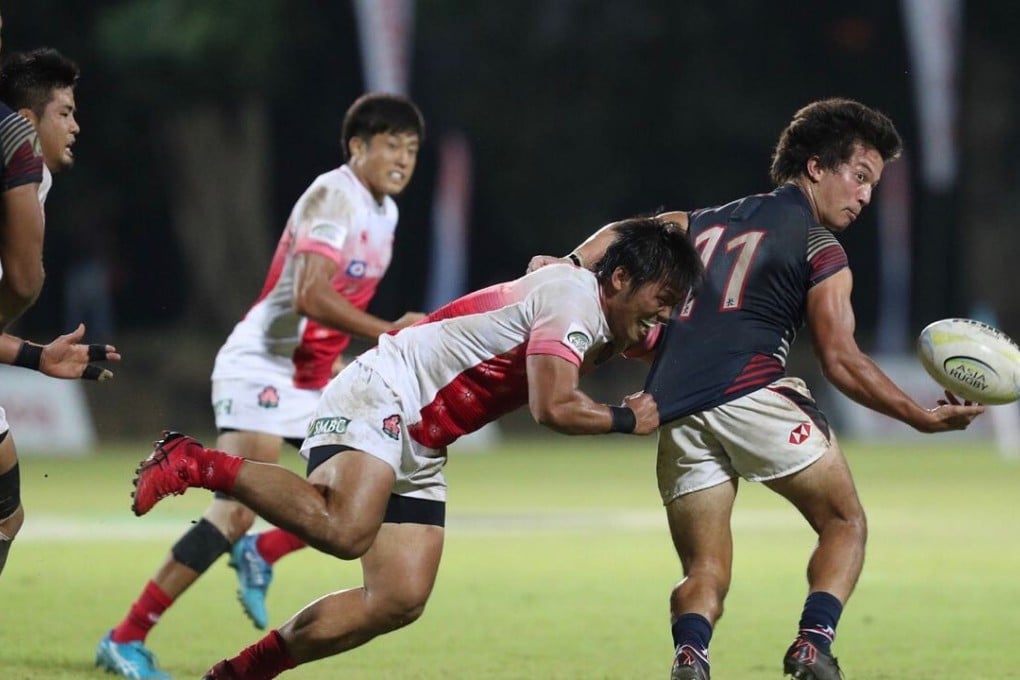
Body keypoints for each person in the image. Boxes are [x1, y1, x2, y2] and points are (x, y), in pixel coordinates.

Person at [128, 216, 703, 679]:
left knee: (398, 597)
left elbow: (642, 242)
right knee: (345, 529)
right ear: (622, 279)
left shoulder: (605, 305)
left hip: (423, 437)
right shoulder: (574, 300)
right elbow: (552, 406)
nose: (666, 313)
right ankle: (195, 460)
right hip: (388, 388)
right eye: (665, 297)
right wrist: (625, 418)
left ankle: (239, 675)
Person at [530, 98, 985, 680]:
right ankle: (812, 644)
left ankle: (691, 655)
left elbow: (628, 230)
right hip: (753, 395)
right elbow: (840, 359)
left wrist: (568, 263)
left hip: (675, 411)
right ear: (816, 167)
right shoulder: (820, 246)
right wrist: (918, 416)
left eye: (873, 183)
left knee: (704, 569)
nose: (866, 195)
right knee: (845, 523)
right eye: (860, 176)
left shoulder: (701, 222)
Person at [97, 92, 428, 680]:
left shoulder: (387, 213)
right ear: (358, 147)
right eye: (391, 145)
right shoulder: (335, 195)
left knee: (367, 493)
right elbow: (309, 294)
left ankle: (262, 554)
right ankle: (126, 637)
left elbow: (329, 312)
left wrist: (350, 356)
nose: (403, 158)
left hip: (310, 377)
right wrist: (387, 334)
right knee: (235, 512)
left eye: (412, 149)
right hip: (262, 366)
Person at [0, 38, 118, 578]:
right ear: (28, 120)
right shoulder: (17, 168)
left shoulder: (30, 181)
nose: (75, 127)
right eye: (64, 113)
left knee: (6, 516)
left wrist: (35, 357)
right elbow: (24, 283)